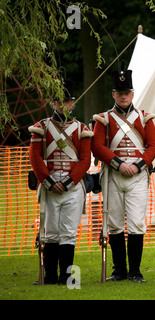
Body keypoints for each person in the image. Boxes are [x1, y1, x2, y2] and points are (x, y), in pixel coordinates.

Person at [91, 68, 155, 282]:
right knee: (114, 223)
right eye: (119, 92)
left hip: (137, 176)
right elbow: (97, 146)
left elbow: (153, 146)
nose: (123, 96)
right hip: (113, 175)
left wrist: (138, 165)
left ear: (132, 94)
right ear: (113, 94)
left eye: (127, 92)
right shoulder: (103, 119)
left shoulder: (145, 118)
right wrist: (119, 164)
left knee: (137, 222)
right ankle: (119, 270)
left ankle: (135, 271)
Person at [29, 79, 92, 284]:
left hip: (72, 187)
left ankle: (67, 276)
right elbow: (35, 157)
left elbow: (85, 159)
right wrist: (48, 181)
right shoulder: (41, 127)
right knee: (50, 232)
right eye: (59, 101)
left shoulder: (81, 129)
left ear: (72, 103)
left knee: (68, 232)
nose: (63, 105)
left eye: (67, 101)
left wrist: (67, 182)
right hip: (49, 185)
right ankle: (50, 276)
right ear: (53, 103)